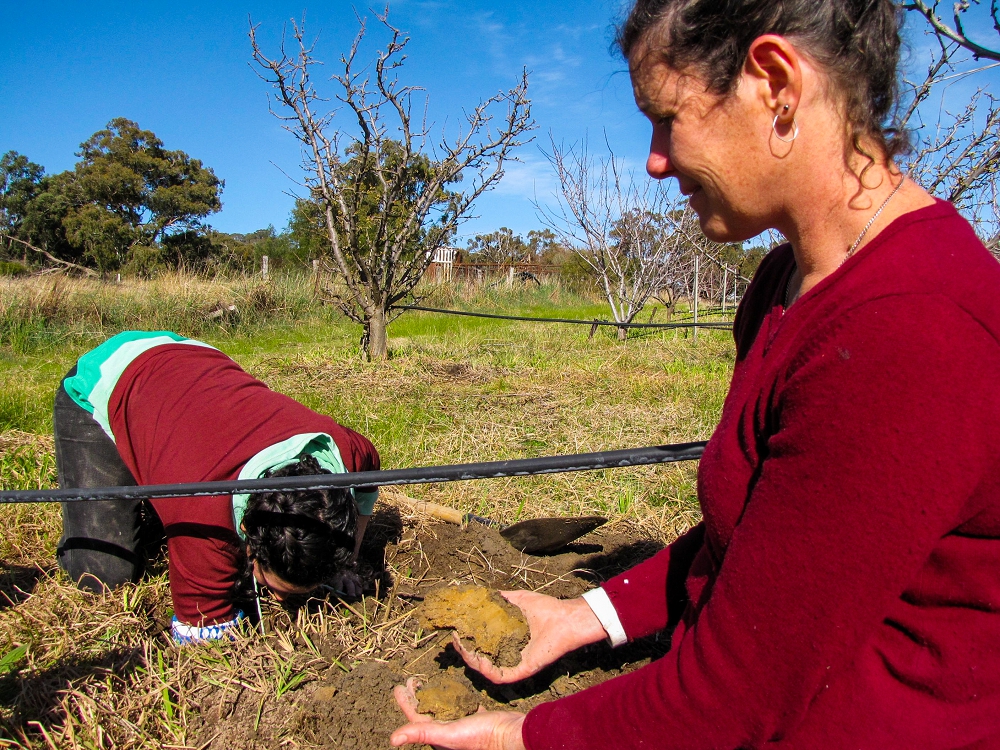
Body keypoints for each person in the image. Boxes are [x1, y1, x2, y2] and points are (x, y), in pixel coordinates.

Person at [390, 1, 1000, 748]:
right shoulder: (786, 281)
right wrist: (583, 618)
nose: (654, 157)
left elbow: (739, 694)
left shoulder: (909, 326)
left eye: (667, 118)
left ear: (776, 85)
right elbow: (762, 544)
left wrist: (523, 736)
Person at [55, 330, 380, 643]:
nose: (280, 600)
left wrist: (343, 564)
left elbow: (368, 474)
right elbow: (203, 632)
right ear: (245, 534)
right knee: (103, 577)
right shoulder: (206, 517)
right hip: (112, 377)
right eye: (276, 586)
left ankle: (154, 467)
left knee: (170, 469)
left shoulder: (344, 453)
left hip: (198, 363)